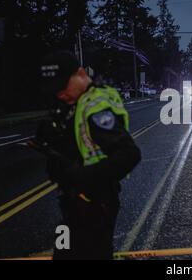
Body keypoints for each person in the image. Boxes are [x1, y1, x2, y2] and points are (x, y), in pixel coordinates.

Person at [36, 51, 141, 260]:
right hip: (74, 203)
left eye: (62, 86)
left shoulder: (95, 108)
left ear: (81, 74)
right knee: (63, 248)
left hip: (96, 203)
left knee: (89, 253)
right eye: (53, 89)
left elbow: (129, 154)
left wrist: (81, 175)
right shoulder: (74, 103)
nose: (59, 93)